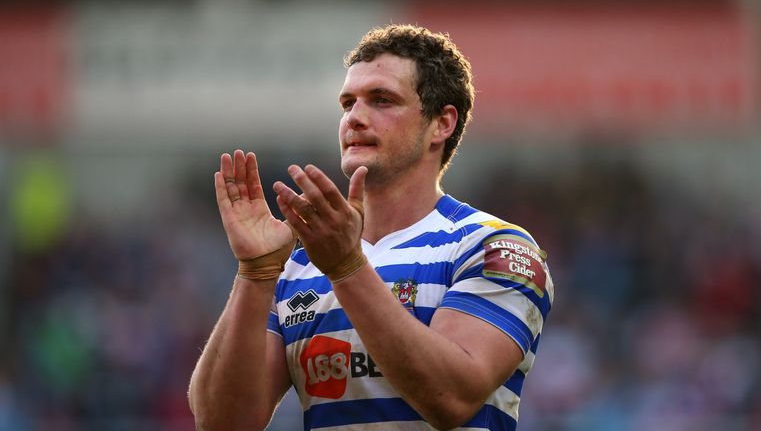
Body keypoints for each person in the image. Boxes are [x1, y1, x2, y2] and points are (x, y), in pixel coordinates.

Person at [188, 24, 554, 430]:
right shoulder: (300, 267)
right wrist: (255, 274)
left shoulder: (493, 247)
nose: (355, 118)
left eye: (382, 100)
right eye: (348, 103)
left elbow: (452, 398)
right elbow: (223, 424)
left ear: (441, 123)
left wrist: (348, 269)